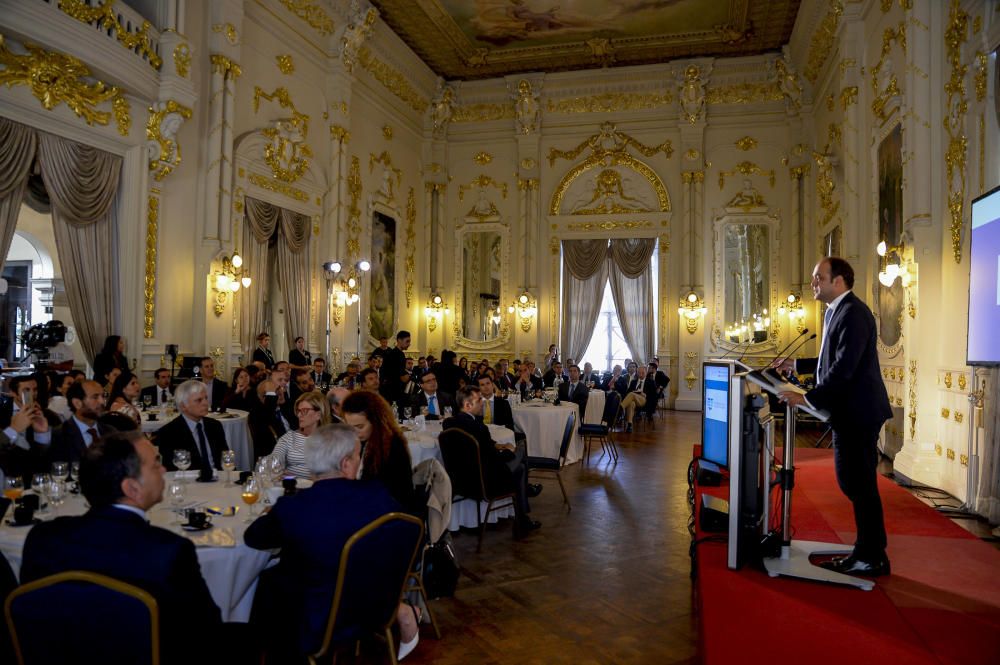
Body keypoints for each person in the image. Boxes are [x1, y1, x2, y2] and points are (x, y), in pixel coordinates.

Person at [20, 431, 223, 665]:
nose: (164, 469)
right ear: (132, 489)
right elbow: (205, 633)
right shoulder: (168, 551)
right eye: (156, 463)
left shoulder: (42, 538)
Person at [244, 424, 421, 662]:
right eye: (359, 455)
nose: (360, 461)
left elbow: (253, 537)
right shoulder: (378, 495)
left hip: (316, 620)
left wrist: (272, 513)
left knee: (264, 582)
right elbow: (406, 529)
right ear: (346, 463)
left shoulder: (294, 506)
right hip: (374, 607)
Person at [775, 257, 893, 577]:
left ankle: (872, 555)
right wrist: (796, 365)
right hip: (851, 412)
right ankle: (870, 551)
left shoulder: (853, 313)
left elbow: (844, 368)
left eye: (818, 277)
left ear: (838, 280)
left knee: (858, 483)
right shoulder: (837, 311)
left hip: (859, 412)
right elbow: (829, 358)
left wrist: (807, 398)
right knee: (856, 483)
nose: (813, 283)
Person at [443, 386, 540, 538]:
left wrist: (495, 444)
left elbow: (479, 446)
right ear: (468, 405)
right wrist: (509, 451)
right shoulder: (479, 428)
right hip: (483, 483)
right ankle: (523, 516)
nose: (482, 402)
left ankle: (523, 515)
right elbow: (494, 459)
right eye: (479, 400)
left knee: (520, 467)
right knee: (521, 452)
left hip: (459, 482)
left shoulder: (448, 424)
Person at [341, 390, 416, 512]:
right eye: (349, 427)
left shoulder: (392, 445)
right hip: (373, 502)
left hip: (390, 511)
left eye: (360, 427)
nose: (354, 432)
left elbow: (388, 492)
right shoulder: (363, 439)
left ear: (376, 421)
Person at [155, 380, 228, 472]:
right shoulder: (168, 432)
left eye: (206, 398)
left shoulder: (215, 426)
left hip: (219, 480)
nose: (206, 403)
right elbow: (171, 470)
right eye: (199, 400)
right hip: (189, 482)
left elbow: (225, 459)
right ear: (183, 406)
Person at [0, 375, 52, 482]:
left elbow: (48, 454)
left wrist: (41, 435)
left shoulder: (48, 415)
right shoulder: (2, 413)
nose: (33, 394)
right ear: (13, 393)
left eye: (35, 389)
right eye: (26, 390)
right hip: (8, 477)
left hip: (37, 475)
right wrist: (13, 429)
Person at [49, 380, 116, 463]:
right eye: (95, 397)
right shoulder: (59, 435)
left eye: (103, 396)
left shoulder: (111, 432)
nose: (102, 402)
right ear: (77, 403)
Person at [273, 391, 330, 479]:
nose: (299, 415)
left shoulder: (330, 440)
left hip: (319, 488)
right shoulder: (290, 437)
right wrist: (278, 470)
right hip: (292, 486)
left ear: (318, 415)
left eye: (304, 411)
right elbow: (274, 460)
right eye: (298, 411)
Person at [620, 365, 658, 432]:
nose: (640, 375)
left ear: (646, 373)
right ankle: (629, 425)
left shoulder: (651, 382)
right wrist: (634, 393)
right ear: (637, 373)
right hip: (634, 400)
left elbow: (655, 396)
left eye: (642, 373)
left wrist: (645, 395)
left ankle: (620, 408)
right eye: (639, 373)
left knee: (631, 394)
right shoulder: (633, 382)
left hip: (644, 401)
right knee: (631, 403)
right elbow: (627, 393)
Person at [379, 330, 410, 404]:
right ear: (399, 340)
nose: (409, 344)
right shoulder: (397, 355)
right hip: (394, 392)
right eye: (407, 341)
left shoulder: (394, 353)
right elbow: (402, 378)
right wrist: (409, 376)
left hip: (390, 390)